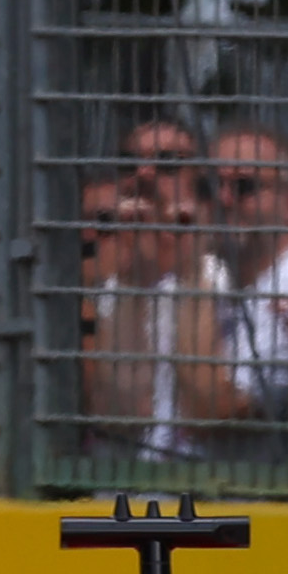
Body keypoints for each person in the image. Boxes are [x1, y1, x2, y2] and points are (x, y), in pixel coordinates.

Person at [188, 125, 288, 460]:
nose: (223, 200)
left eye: (245, 186)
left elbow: (214, 408)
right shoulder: (219, 275)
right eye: (209, 187)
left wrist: (189, 267)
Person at [73, 166, 203, 461]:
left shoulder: (201, 281)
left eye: (107, 221)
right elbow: (117, 410)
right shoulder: (90, 299)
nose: (90, 235)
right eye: (83, 221)